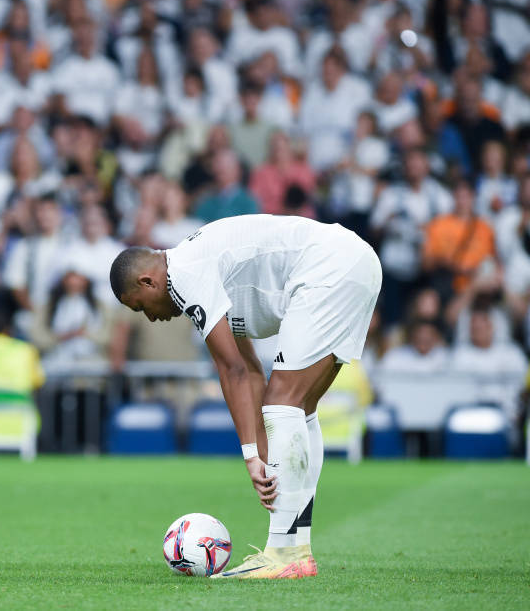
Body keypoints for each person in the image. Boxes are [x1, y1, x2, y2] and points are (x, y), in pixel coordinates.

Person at [109, 214, 382, 579]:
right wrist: (266, 451)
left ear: (148, 281)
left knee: (282, 401)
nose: (149, 317)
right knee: (300, 409)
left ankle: (282, 554)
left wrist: (251, 456)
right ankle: (297, 549)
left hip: (328, 267)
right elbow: (251, 369)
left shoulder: (185, 275)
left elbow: (232, 370)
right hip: (354, 262)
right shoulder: (198, 269)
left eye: (140, 306)